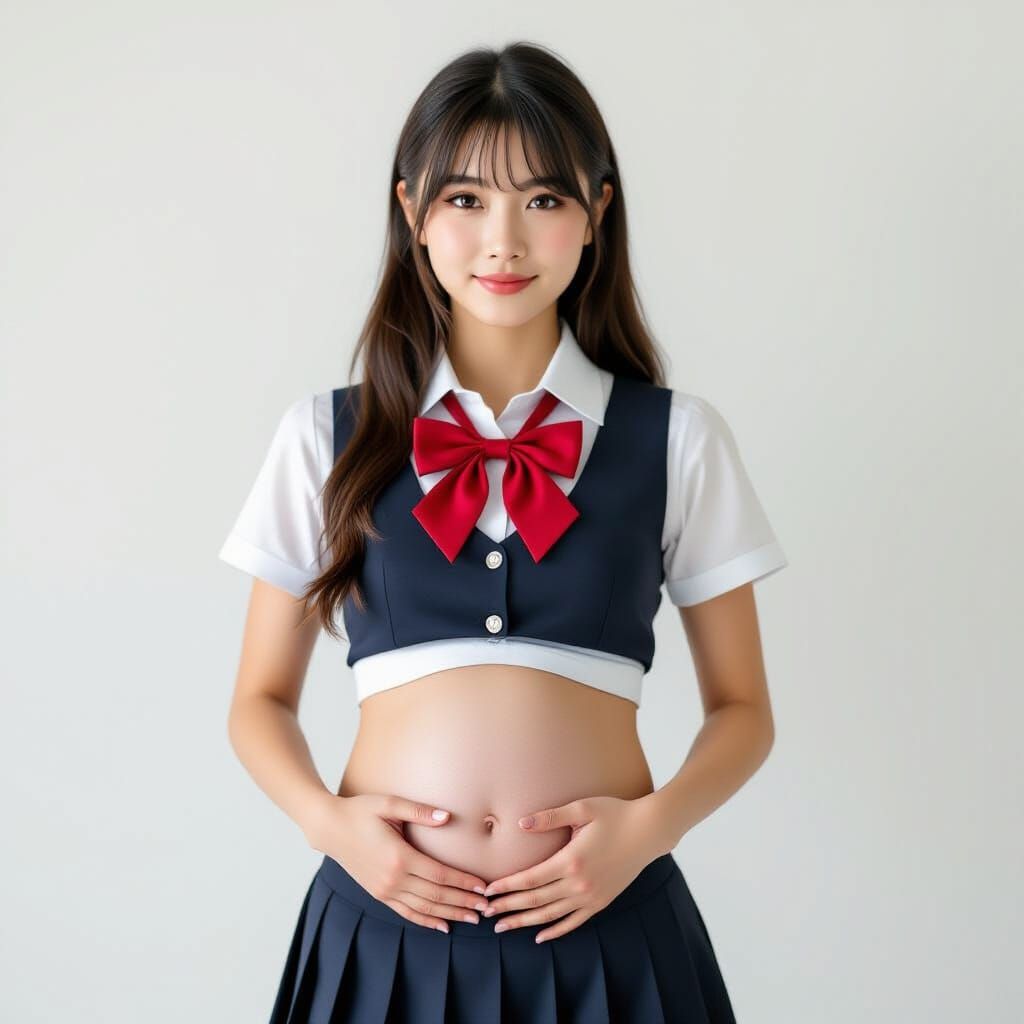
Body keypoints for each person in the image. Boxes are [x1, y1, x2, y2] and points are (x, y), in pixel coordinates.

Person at [219, 40, 788, 1024]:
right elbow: (258, 701)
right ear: (411, 212)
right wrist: (335, 829)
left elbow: (742, 710)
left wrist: (648, 832)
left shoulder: (676, 439)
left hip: (607, 934)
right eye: (466, 200)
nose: (504, 242)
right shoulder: (324, 436)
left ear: (596, 211)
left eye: (543, 199)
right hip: (383, 936)